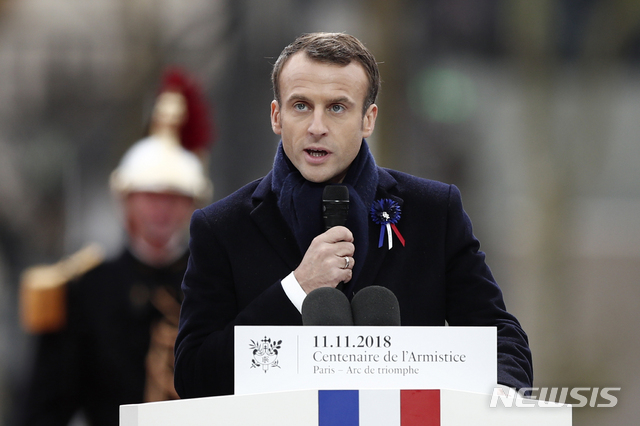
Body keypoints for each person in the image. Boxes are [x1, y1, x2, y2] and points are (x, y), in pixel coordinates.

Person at [174, 32, 533, 399]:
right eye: (301, 106)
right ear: (276, 116)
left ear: (368, 119)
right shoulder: (219, 228)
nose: (316, 126)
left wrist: (501, 404)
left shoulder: (434, 211)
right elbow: (194, 377)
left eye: (336, 107)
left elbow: (500, 340)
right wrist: (297, 289)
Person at [18, 68, 213, 426]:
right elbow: (43, 409)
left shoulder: (217, 285)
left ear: (193, 206)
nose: (161, 210)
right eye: (149, 197)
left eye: (174, 198)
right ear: (125, 202)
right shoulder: (84, 290)